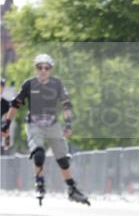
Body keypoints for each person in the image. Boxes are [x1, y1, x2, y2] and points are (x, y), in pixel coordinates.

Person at [1, 53, 90, 205]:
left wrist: (68, 124)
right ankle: (39, 182)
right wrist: (7, 123)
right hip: (34, 123)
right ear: (36, 69)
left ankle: (72, 189)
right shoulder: (29, 84)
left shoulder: (57, 84)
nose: (43, 70)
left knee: (63, 159)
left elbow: (67, 105)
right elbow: (15, 105)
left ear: (51, 70)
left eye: (46, 68)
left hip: (53, 124)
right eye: (40, 67)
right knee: (39, 154)